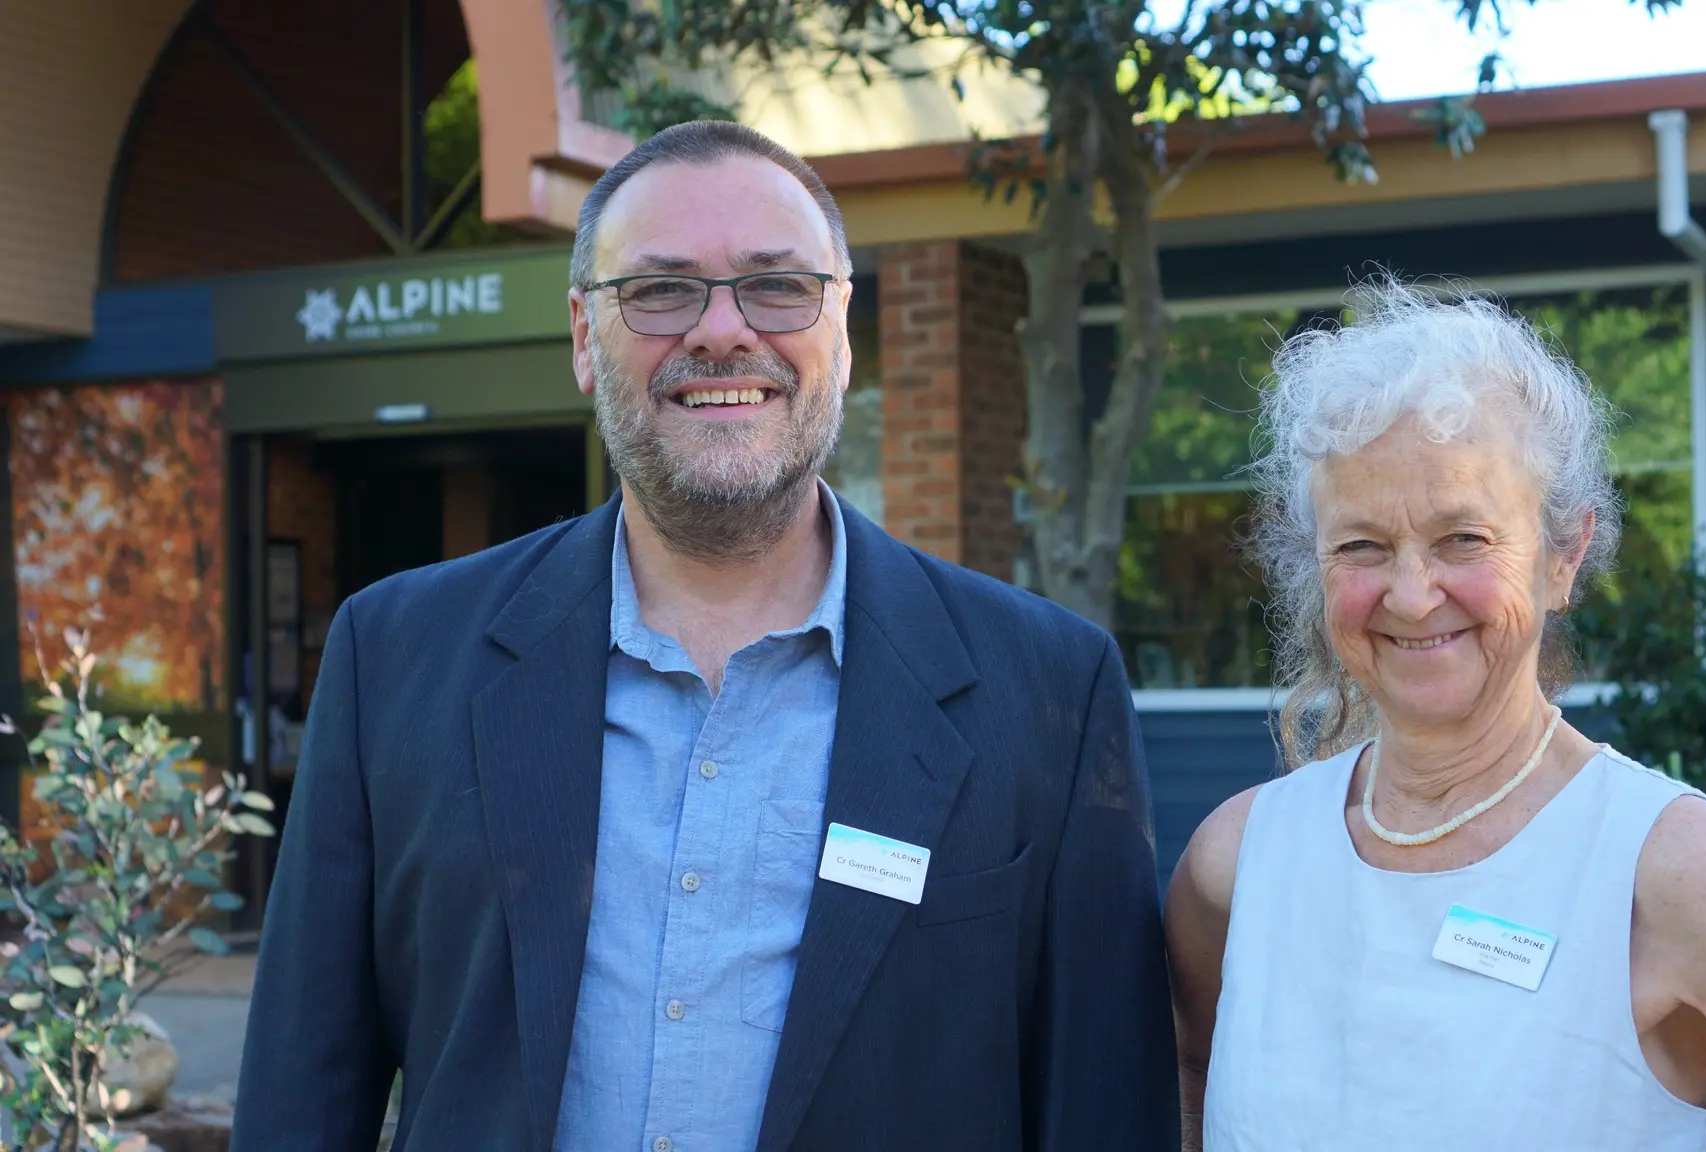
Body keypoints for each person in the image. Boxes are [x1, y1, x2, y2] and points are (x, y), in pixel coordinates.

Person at [233, 120, 1177, 1152]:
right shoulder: (394, 658)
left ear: (843, 331)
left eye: (777, 286)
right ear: (586, 338)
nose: (722, 330)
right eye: (659, 289)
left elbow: (1102, 1109)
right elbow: (301, 1093)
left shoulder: (1046, 692)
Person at [1165, 279, 1706, 1151]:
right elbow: (1188, 1090)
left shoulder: (1672, 876)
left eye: (1462, 539)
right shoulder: (1235, 864)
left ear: (1563, 556)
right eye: (1361, 545)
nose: (1410, 591)